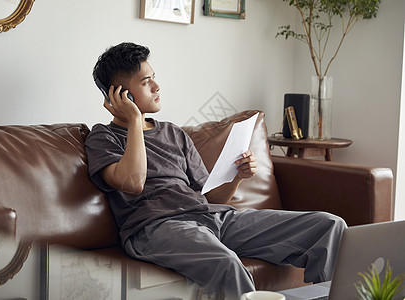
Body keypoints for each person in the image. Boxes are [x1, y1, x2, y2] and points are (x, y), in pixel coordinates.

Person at [85, 42, 347, 299]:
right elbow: (133, 182)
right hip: (157, 228)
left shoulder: (174, 133)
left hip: (214, 217)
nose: (157, 86)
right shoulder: (102, 137)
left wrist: (237, 176)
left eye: (154, 77)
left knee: (328, 226)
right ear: (120, 94)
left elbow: (212, 198)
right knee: (227, 265)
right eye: (146, 82)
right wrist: (133, 120)